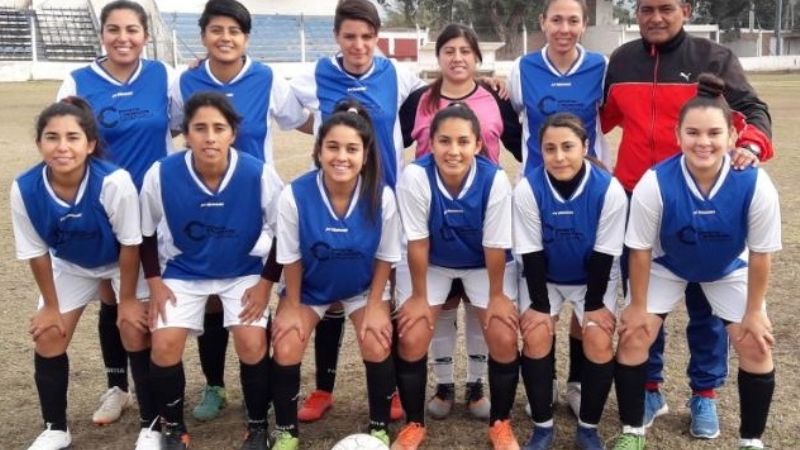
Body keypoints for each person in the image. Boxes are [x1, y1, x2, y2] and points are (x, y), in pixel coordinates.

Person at [602, 0, 774, 438]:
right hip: (638, 195)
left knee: (707, 307)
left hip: (705, 192)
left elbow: (754, 111)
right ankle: (650, 389)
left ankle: (704, 395)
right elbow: (601, 117)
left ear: (686, 9)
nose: (655, 17)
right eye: (645, 9)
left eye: (666, 8)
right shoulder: (621, 61)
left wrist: (748, 149)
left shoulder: (714, 59)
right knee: (643, 305)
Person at [169, 0, 309, 422]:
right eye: (216, 30)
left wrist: (345, 129)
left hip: (254, 203)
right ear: (203, 35)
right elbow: (173, 127)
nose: (225, 37)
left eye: (233, 30)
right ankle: (214, 385)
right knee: (209, 298)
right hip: (201, 201)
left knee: (251, 299)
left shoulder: (266, 78)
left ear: (246, 37)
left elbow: (298, 120)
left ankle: (261, 397)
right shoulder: (185, 80)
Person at [288, 0, 426, 423]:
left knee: (386, 294)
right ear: (337, 37)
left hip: (381, 199)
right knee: (329, 292)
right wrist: (330, 133)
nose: (359, 44)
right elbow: (293, 114)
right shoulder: (316, 75)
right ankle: (324, 389)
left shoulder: (396, 75)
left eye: (367, 36)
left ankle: (394, 391)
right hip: (335, 196)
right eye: (350, 36)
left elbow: (431, 99)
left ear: (377, 38)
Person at [56, 0, 176, 427]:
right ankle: (117, 387)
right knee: (109, 295)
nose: (123, 38)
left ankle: (152, 394)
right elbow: (67, 139)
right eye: (113, 29)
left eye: (132, 30)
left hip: (152, 207)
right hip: (100, 205)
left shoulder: (164, 76)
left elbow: (182, 123)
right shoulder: (78, 80)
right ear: (102, 34)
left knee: (137, 305)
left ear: (146, 35)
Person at [139, 92, 282, 450]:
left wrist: (266, 285)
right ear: (185, 134)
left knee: (251, 342)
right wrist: (154, 283)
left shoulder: (257, 172)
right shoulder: (162, 173)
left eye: (219, 128)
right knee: (164, 343)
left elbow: (285, 234)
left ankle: (257, 426)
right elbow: (143, 232)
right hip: (183, 270)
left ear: (233, 133)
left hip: (243, 270)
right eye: (199, 128)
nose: (209, 137)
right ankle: (174, 428)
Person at [398, 23, 522, 421]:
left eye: (465, 51)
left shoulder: (494, 99)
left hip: (478, 209)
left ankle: (477, 384)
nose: (457, 57)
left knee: (489, 316)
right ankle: (445, 383)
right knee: (435, 314)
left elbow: (523, 144)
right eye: (448, 50)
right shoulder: (419, 99)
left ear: (477, 58)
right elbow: (386, 137)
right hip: (432, 215)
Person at [10, 97, 149, 450]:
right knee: (49, 334)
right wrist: (50, 306)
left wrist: (128, 300)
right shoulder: (25, 188)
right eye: (52, 137)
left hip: (121, 261)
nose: (62, 146)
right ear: (39, 143)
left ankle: (152, 423)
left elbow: (131, 244)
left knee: (134, 328)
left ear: (89, 145)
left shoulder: (113, 182)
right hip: (71, 264)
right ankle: (55, 428)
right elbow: (37, 252)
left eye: (72, 137)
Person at [269, 100, 401, 450]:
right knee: (286, 341)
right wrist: (293, 304)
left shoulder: (381, 196)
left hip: (361, 288)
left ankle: (378, 427)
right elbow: (290, 257)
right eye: (333, 147)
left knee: (376, 338)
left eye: (352, 149)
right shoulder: (294, 194)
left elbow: (386, 256)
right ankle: (285, 432)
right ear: (318, 150)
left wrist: (375, 304)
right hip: (310, 288)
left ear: (366, 154)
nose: (341, 157)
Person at [507, 0, 607, 418]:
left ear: (584, 25)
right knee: (539, 279)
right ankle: (542, 379)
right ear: (542, 22)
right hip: (538, 188)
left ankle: (579, 380)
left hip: (585, 188)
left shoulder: (601, 67)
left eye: (573, 20)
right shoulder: (521, 68)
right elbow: (513, 120)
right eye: (556, 19)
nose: (563, 28)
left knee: (583, 283)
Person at [513, 113, 626, 450]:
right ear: (540, 151)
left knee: (598, 338)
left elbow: (605, 254)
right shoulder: (528, 189)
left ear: (585, 146)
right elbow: (531, 253)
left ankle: (588, 428)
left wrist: (594, 307)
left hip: (592, 275)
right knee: (535, 334)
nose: (559, 156)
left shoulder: (609, 189)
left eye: (567, 147)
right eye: (550, 149)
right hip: (544, 275)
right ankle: (542, 426)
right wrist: (538, 307)